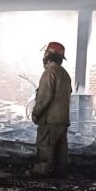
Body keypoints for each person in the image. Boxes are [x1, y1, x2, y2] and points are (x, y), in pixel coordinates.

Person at [31, 41, 72, 176]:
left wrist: (36, 113)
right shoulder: (65, 74)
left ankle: (41, 182)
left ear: (49, 55)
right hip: (62, 121)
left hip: (49, 121)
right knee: (60, 156)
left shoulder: (49, 73)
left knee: (45, 154)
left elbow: (44, 97)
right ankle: (60, 184)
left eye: (46, 53)